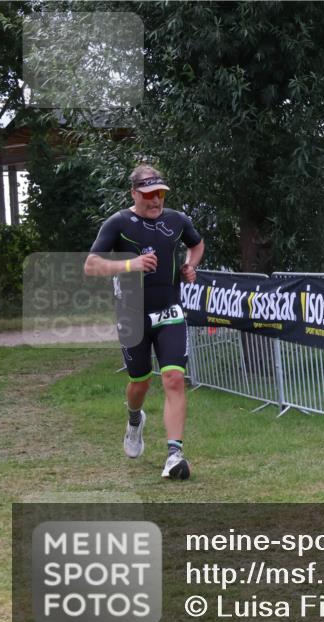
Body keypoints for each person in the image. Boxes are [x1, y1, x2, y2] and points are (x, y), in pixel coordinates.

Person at [84, 164, 204, 480]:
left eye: (160, 194)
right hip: (132, 316)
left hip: (170, 312)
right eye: (149, 194)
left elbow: (196, 244)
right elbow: (91, 265)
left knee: (174, 378)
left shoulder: (176, 220)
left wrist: (190, 266)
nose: (156, 200)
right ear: (134, 193)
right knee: (140, 381)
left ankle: (174, 455)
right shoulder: (118, 223)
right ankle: (135, 419)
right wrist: (131, 264)